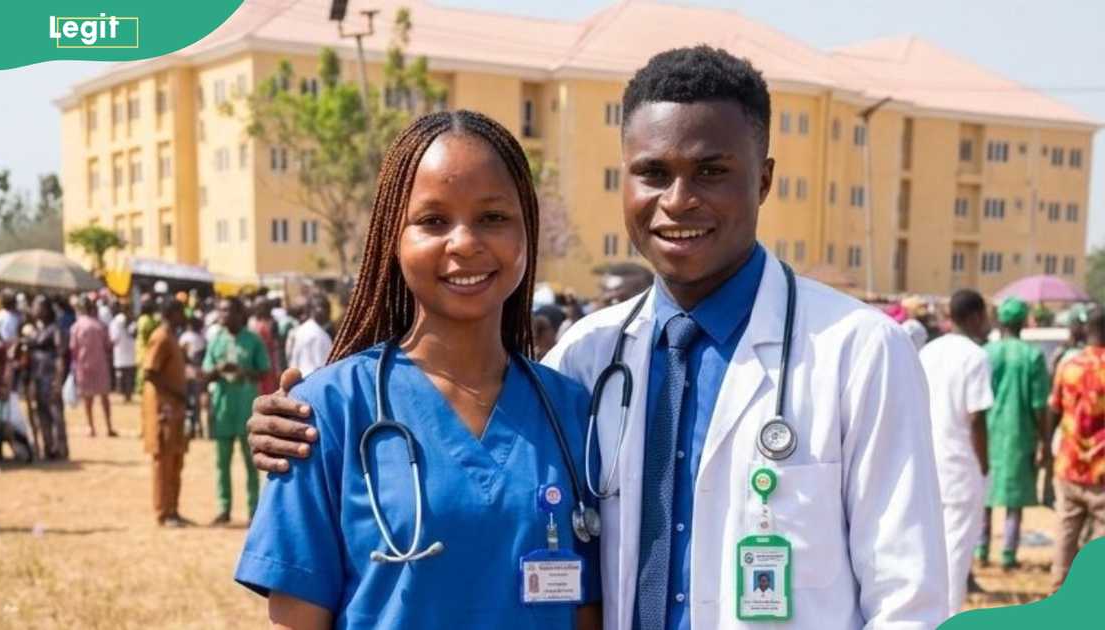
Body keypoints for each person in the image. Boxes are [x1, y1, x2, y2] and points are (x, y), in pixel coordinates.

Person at [244, 47, 947, 629]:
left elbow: (908, 599)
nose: (679, 200)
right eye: (653, 173)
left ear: (762, 181)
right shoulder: (588, 359)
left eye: (712, 172)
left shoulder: (859, 353)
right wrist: (287, 421)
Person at [234, 110, 599, 629]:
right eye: (433, 221)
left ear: (528, 231)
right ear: (393, 238)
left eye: (493, 217)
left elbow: (590, 611)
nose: (464, 242)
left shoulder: (572, 413)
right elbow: (297, 619)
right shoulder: (325, 413)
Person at [918, 289, 993, 612]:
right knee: (956, 551)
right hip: (960, 464)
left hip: (925, 462)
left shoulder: (928, 351)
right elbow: (977, 418)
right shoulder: (975, 356)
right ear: (975, 316)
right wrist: (984, 464)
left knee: (926, 548)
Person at [979, 297, 1050, 570]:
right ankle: (1008, 554)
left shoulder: (986, 353)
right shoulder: (1032, 356)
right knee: (1014, 499)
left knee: (984, 495)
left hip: (986, 432)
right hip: (1020, 434)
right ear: (1023, 323)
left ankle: (981, 549)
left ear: (1000, 322)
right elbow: (1039, 404)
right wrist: (1044, 439)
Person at [1048, 307, 1105, 589]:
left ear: (1086, 330)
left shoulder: (1068, 366)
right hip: (1101, 470)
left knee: (1066, 530)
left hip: (1069, 463)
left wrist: (1048, 447)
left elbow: (1054, 409)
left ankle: (1059, 587)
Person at [203, 297, 269, 525]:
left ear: (240, 314)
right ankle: (224, 509)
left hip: (246, 409)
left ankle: (253, 510)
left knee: (251, 463)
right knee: (222, 463)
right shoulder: (216, 340)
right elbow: (205, 372)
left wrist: (244, 372)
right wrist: (218, 369)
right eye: (220, 311)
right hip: (223, 409)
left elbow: (264, 370)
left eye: (228, 311)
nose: (223, 315)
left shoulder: (253, 340)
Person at [143, 298, 191, 527]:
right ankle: (163, 511)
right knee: (163, 461)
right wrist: (176, 392)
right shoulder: (161, 337)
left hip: (175, 408)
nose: (184, 317)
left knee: (175, 459)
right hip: (164, 408)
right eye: (181, 313)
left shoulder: (172, 337)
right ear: (171, 313)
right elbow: (150, 372)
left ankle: (173, 508)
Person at [69, 297, 116, 437]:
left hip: (83, 365)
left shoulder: (76, 327)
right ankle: (109, 427)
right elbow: (108, 345)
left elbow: (73, 348)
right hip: (101, 364)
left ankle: (91, 427)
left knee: (88, 399)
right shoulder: (100, 325)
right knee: (104, 397)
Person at [29, 295, 68, 460]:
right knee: (41, 414)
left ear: (46, 309)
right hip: (37, 376)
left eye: (38, 306)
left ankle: (60, 449)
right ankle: (47, 447)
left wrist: (58, 380)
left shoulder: (55, 329)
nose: (34, 309)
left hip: (50, 376)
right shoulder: (36, 330)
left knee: (55, 413)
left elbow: (60, 356)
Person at [286, 294, 332, 378]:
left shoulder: (300, 330)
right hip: (313, 380)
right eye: (324, 308)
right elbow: (322, 366)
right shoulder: (319, 335)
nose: (327, 312)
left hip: (299, 380)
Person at [249, 297, 280, 395]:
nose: (259, 309)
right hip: (254, 361)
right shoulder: (251, 322)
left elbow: (276, 345)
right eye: (257, 306)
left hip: (269, 361)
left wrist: (278, 367)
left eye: (262, 306)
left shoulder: (273, 322)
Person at [109, 303, 137, 403]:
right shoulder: (132, 320)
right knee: (129, 374)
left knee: (121, 374)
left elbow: (114, 338)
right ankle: (128, 395)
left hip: (120, 350)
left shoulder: (115, 321)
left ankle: (122, 394)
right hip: (130, 350)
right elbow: (135, 334)